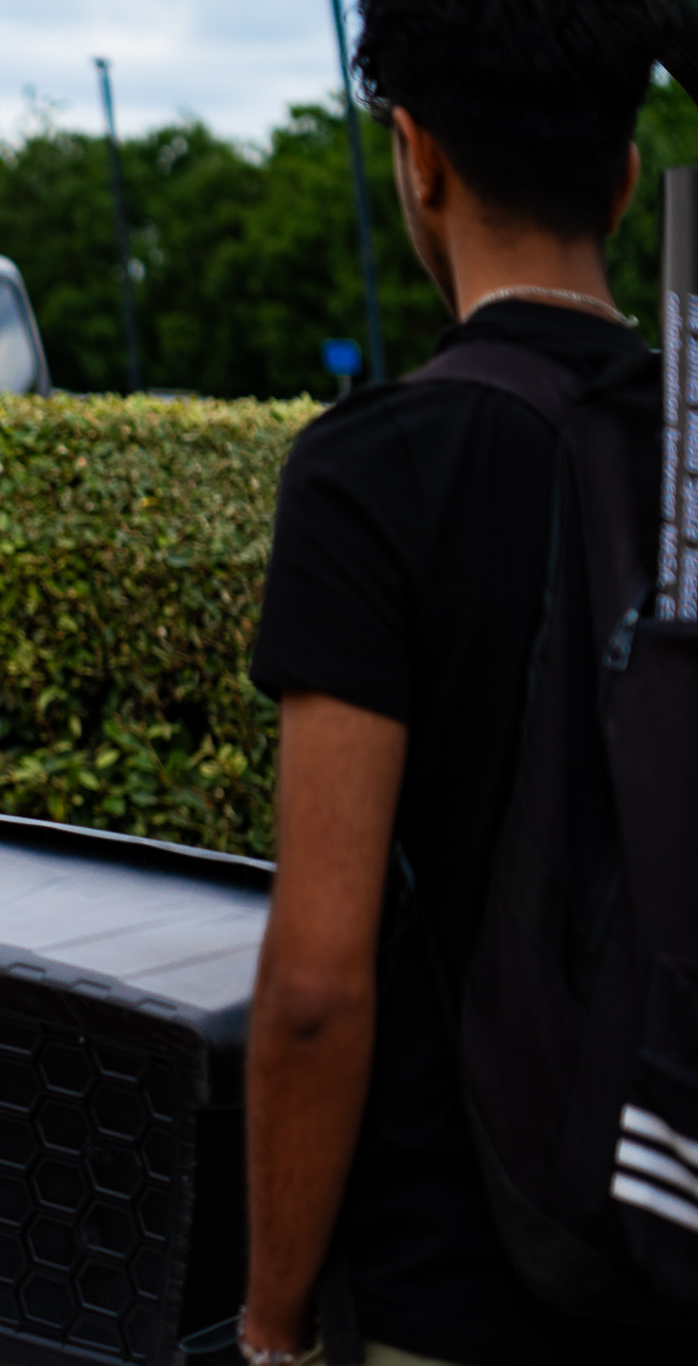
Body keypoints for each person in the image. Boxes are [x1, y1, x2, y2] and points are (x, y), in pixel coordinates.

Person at [242, 3, 698, 1364]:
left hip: (468, 1262)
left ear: (417, 156)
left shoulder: (374, 470)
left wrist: (273, 1319)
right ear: (622, 178)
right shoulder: (686, 447)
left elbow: (318, 980)